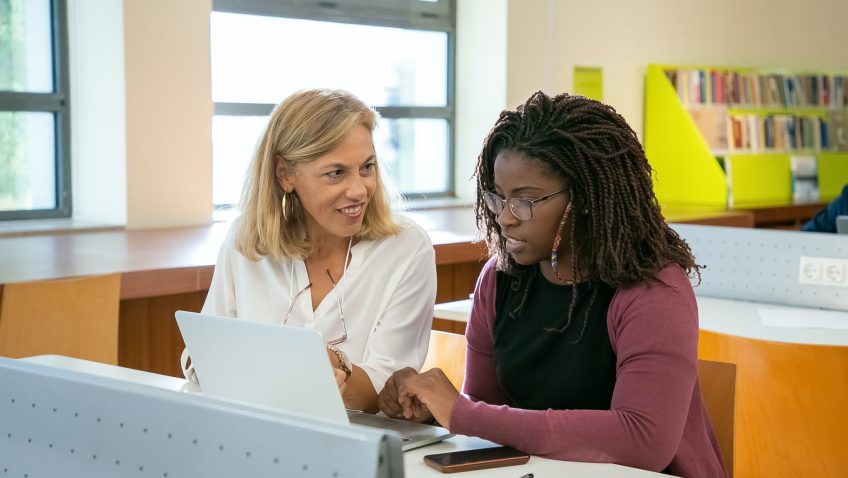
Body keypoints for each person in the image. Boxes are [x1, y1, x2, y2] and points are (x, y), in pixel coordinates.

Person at [378, 92, 727, 477]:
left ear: (587, 197)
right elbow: (487, 415)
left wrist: (464, 413)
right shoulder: (500, 279)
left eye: (524, 201)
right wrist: (436, 410)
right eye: (498, 198)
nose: (505, 219)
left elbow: (643, 441)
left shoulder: (653, 290)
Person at [190, 89, 437, 413]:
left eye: (367, 167)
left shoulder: (407, 249)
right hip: (256, 433)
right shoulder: (246, 241)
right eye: (336, 173)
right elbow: (205, 357)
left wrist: (336, 368)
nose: (359, 190)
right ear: (285, 175)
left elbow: (387, 395)